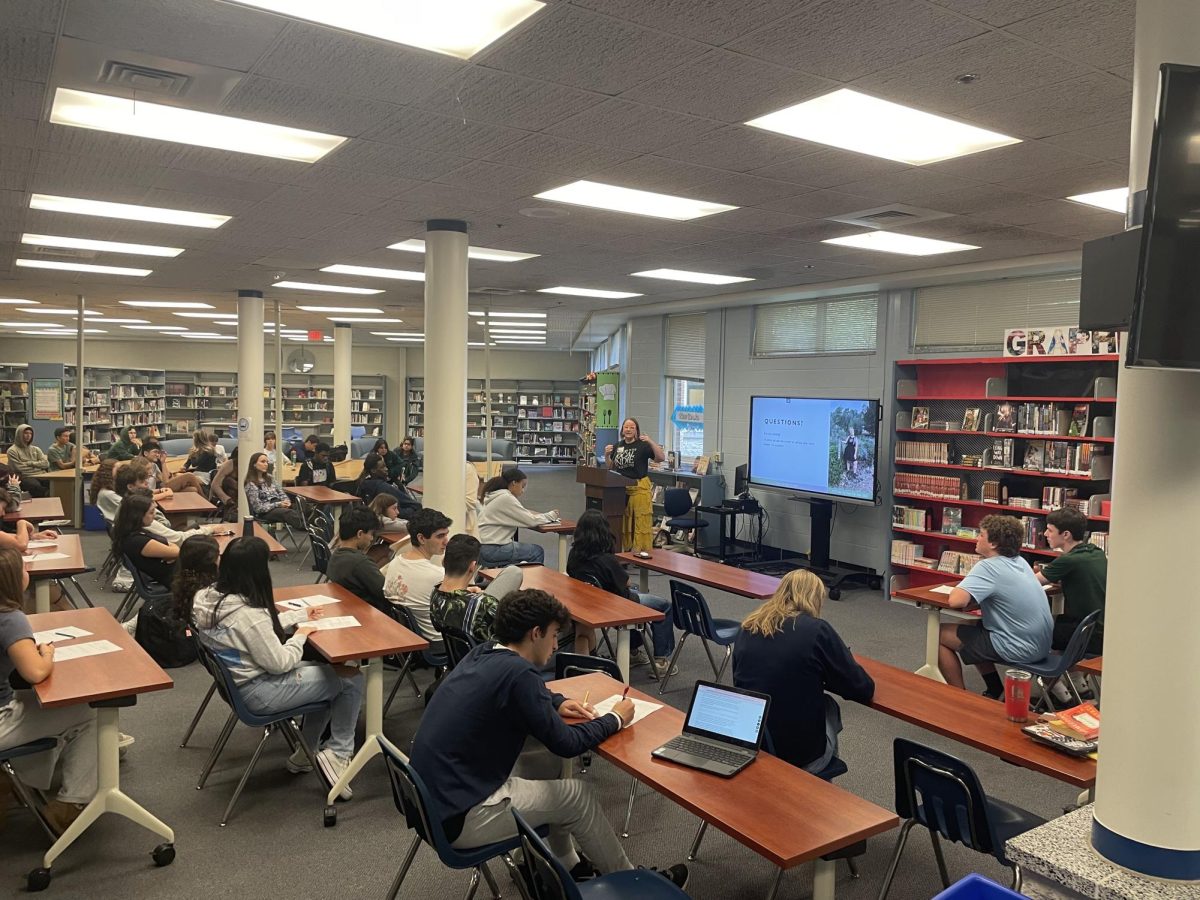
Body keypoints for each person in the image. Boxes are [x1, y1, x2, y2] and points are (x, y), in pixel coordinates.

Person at [410, 589, 688, 887]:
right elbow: (567, 743)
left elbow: (525, 694)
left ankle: (568, 867)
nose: (556, 645)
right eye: (554, 635)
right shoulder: (519, 675)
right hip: (461, 816)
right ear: (536, 633)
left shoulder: (485, 651)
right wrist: (616, 718)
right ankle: (634, 884)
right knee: (577, 796)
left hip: (431, 802)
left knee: (545, 764)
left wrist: (555, 701)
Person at [188, 536, 364, 794]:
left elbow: (253, 634)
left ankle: (306, 753)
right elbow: (280, 662)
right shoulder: (249, 614)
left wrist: (298, 616)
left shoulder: (207, 597)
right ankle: (338, 753)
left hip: (237, 686)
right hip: (260, 692)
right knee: (351, 679)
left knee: (327, 673)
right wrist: (301, 633)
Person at [733, 570, 874, 773]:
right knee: (829, 705)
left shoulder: (747, 627)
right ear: (813, 598)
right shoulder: (817, 630)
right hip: (797, 753)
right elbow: (862, 688)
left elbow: (740, 680)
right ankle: (818, 787)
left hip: (752, 740)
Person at [0, 545, 98, 834]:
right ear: (13, 581)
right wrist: (47, 653)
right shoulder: (9, 618)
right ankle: (70, 804)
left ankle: (15, 780)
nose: (27, 573)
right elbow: (35, 671)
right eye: (22, 570)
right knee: (87, 712)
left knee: (44, 708)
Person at [938, 514, 1053, 696]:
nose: (977, 538)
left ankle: (958, 697)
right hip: (1041, 645)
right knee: (968, 627)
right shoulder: (1021, 562)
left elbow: (956, 601)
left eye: (981, 534)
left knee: (939, 634)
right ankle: (994, 689)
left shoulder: (988, 567)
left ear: (993, 543)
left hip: (1018, 647)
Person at [566, 509, 676, 673]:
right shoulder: (607, 560)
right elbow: (625, 582)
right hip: (615, 605)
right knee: (664, 606)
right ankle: (661, 660)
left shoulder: (574, 555)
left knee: (637, 590)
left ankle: (633, 650)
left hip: (591, 603)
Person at [1037, 507, 1106, 657]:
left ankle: (1052, 676)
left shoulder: (1068, 560)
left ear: (1066, 534)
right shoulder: (1096, 553)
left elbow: (1031, 583)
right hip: (1103, 631)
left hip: (1086, 635)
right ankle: (1072, 677)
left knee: (1034, 630)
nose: (1045, 534)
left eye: (1050, 530)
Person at [430, 534, 524, 644]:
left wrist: (468, 595)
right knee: (515, 572)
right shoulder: (484, 605)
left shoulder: (435, 595)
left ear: (444, 561)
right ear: (472, 566)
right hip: (489, 655)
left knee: (513, 572)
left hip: (463, 655)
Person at [383, 507, 451, 648]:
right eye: (440, 536)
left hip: (405, 637)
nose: (446, 541)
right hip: (436, 642)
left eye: (446, 535)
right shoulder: (436, 574)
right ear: (421, 538)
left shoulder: (396, 561)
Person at [605, 417, 665, 553]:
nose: (628, 430)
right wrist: (607, 455)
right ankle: (626, 551)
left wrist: (650, 441)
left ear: (636, 430)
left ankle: (640, 551)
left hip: (639, 489)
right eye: (626, 427)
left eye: (632, 427)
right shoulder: (618, 446)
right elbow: (611, 467)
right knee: (625, 522)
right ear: (622, 430)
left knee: (639, 522)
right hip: (621, 490)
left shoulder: (642, 446)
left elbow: (661, 458)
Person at [477, 468, 556, 567]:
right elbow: (530, 521)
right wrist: (551, 516)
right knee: (537, 552)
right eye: (522, 486)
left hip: (482, 547)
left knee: (518, 552)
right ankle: (531, 582)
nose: (523, 491)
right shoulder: (506, 498)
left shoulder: (495, 495)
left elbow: (522, 515)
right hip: (493, 549)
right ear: (514, 483)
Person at [326, 506, 391, 618]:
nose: (371, 538)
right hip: (368, 615)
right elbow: (386, 593)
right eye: (371, 534)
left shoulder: (336, 555)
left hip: (348, 609)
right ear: (360, 534)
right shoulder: (361, 563)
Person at [112, 489, 179, 590]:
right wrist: (170, 550)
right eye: (151, 512)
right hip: (176, 579)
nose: (154, 515)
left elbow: (172, 548)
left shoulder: (132, 534)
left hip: (172, 573)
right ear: (138, 516)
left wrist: (169, 552)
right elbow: (176, 551)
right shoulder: (138, 541)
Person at [244, 451, 304, 530]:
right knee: (288, 513)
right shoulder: (251, 484)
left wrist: (286, 501)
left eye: (267, 462)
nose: (266, 464)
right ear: (254, 464)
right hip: (265, 511)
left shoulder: (270, 477)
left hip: (278, 504)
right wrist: (278, 504)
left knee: (302, 503)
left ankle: (309, 525)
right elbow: (258, 508)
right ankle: (307, 527)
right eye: (263, 462)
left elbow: (281, 492)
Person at [140, 439, 204, 494]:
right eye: (155, 452)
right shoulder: (139, 466)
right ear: (146, 453)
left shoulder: (154, 465)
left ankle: (205, 504)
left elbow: (165, 481)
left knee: (193, 490)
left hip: (161, 489)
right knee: (189, 476)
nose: (157, 455)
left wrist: (163, 462)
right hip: (152, 493)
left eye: (158, 452)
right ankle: (206, 501)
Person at [6, 425, 49, 497]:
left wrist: (29, 463)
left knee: (54, 483)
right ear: (19, 434)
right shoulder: (12, 450)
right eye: (26, 433)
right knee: (36, 486)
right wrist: (38, 467)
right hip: (25, 476)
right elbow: (19, 468)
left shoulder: (36, 449)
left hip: (42, 474)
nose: (28, 435)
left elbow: (46, 464)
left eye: (30, 433)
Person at [209, 447, 239, 514]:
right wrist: (227, 499)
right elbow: (215, 485)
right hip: (227, 495)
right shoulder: (230, 464)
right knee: (229, 480)